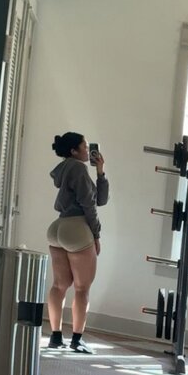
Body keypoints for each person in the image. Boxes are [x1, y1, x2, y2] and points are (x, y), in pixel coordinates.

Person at [46, 131, 109, 353]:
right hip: (77, 229)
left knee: (59, 285)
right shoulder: (79, 168)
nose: (88, 150)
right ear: (73, 151)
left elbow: (100, 199)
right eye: (84, 147)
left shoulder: (64, 168)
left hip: (58, 228)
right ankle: (77, 340)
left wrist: (100, 172)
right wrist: (96, 234)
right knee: (82, 288)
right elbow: (90, 205)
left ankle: (55, 337)